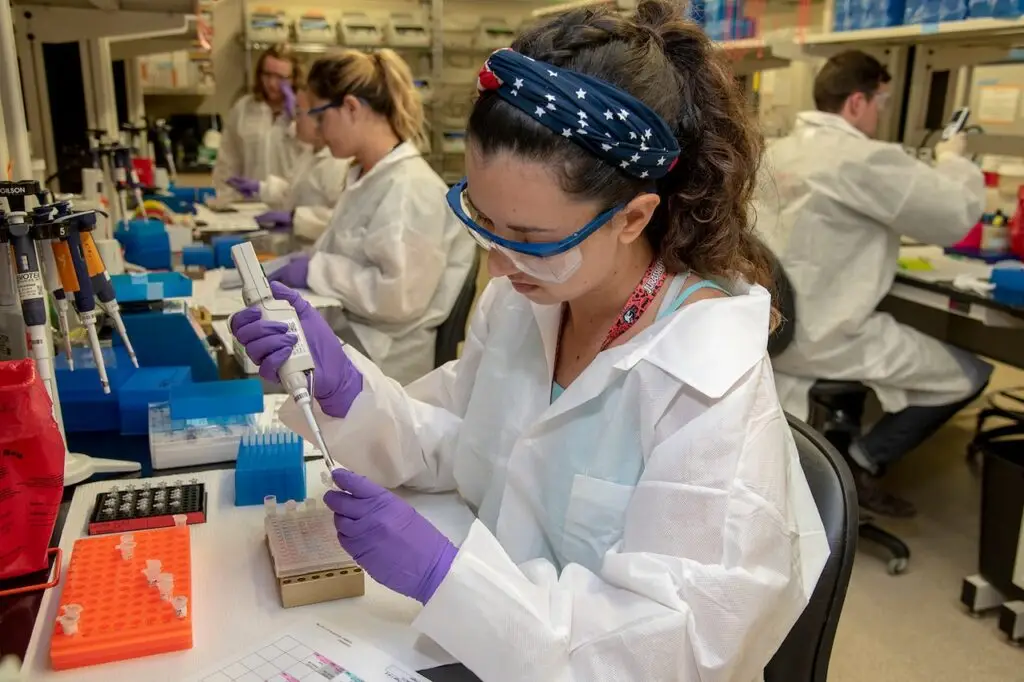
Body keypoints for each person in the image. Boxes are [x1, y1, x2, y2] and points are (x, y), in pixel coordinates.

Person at [232, 3, 829, 680]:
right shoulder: (530, 303)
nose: (495, 264)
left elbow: (677, 646)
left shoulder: (705, 381)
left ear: (633, 217)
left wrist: (446, 580)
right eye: (483, 221)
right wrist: (347, 390)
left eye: (530, 239)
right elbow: (460, 443)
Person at [755, 50, 993, 517]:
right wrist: (953, 159)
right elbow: (953, 214)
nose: (881, 114)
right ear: (858, 102)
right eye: (881, 102)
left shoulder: (776, 148)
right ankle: (861, 462)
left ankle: (838, 452)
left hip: (770, 328)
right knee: (969, 374)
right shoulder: (863, 158)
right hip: (826, 334)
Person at [265, 48, 476, 385]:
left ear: (350, 107)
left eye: (320, 116)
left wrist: (316, 271)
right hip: (354, 343)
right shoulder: (368, 177)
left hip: (387, 366)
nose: (317, 131)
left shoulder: (409, 188)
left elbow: (397, 297)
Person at [226, 86, 352, 244]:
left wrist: (296, 219)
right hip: (299, 250)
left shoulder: (337, 162)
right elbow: (294, 193)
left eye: (299, 113)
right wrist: (262, 188)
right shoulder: (309, 154)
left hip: (318, 257)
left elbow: (343, 223)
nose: (294, 122)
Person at [212, 44, 307, 204]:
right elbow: (227, 161)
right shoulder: (243, 108)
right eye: (267, 75)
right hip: (248, 205)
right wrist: (222, 199)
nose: (271, 83)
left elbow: (313, 155)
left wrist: (296, 119)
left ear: (294, 79)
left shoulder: (306, 112)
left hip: (292, 206)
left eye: (280, 78)